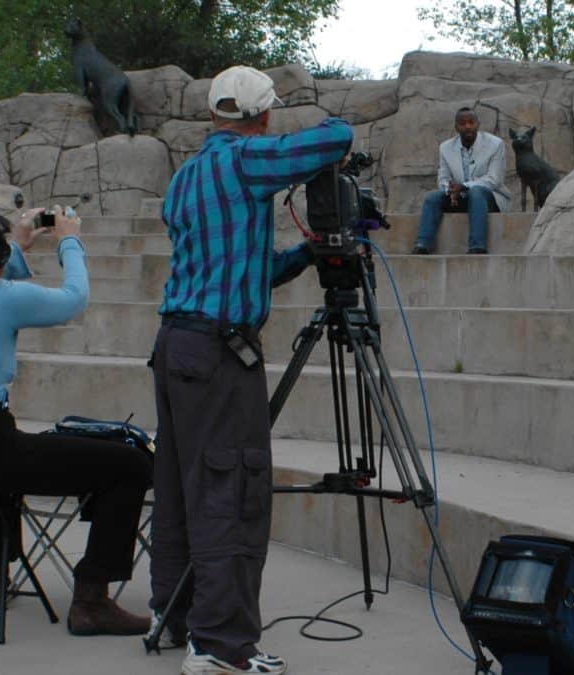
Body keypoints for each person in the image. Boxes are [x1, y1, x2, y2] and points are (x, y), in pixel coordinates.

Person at [147, 65, 353, 675]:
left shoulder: (184, 179)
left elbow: (226, 268)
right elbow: (332, 140)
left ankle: (176, 616)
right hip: (217, 354)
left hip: (175, 346)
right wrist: (332, 119)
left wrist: (299, 259)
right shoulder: (243, 161)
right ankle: (220, 646)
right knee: (232, 492)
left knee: (184, 490)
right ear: (261, 117)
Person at [0, 204, 153, 637]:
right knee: (131, 464)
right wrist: (70, 240)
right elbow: (74, 300)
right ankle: (92, 600)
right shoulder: (5, 299)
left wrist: (19, 242)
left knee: (8, 446)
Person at [412, 107, 512, 254]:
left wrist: (464, 186)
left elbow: (494, 179)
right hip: (459, 197)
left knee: (476, 192)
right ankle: (423, 245)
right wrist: (450, 189)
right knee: (432, 197)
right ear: (456, 127)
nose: (467, 126)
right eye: (462, 123)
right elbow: (443, 178)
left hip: (490, 198)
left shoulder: (495, 144)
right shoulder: (445, 148)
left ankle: (477, 247)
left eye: (471, 122)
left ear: (478, 124)